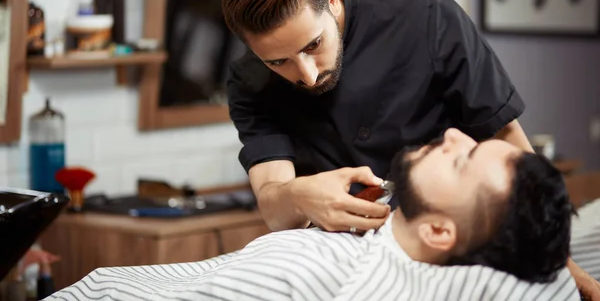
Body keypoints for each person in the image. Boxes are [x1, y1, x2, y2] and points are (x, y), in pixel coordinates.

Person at [221, 0, 600, 297]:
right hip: (338, 260)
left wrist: (561, 263)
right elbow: (273, 200)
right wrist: (298, 197)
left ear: (332, 1)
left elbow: (508, 148)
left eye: (313, 45)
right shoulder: (248, 83)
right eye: (278, 62)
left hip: (441, 248)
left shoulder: (426, 17)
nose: (306, 74)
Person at [44, 130, 580, 301]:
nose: (454, 134)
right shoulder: (374, 226)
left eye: (463, 159)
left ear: (441, 232)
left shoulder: (315, 279)